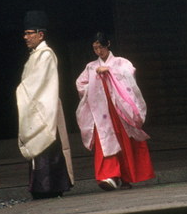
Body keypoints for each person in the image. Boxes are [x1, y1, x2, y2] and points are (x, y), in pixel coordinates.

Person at [75, 32, 155, 191]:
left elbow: (129, 76)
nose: (98, 51)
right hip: (102, 111)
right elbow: (80, 84)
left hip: (120, 110)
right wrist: (94, 83)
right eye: (95, 48)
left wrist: (110, 71)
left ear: (108, 44)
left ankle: (125, 178)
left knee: (125, 141)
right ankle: (108, 176)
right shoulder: (91, 67)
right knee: (104, 141)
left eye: (101, 47)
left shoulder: (121, 62)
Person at [16, 10, 74, 199]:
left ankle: (51, 187)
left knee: (48, 146)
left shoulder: (46, 55)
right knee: (40, 148)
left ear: (40, 35)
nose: (26, 37)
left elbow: (39, 83)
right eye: (25, 33)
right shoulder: (36, 55)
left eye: (29, 33)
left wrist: (22, 90)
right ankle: (41, 187)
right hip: (39, 106)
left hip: (45, 107)